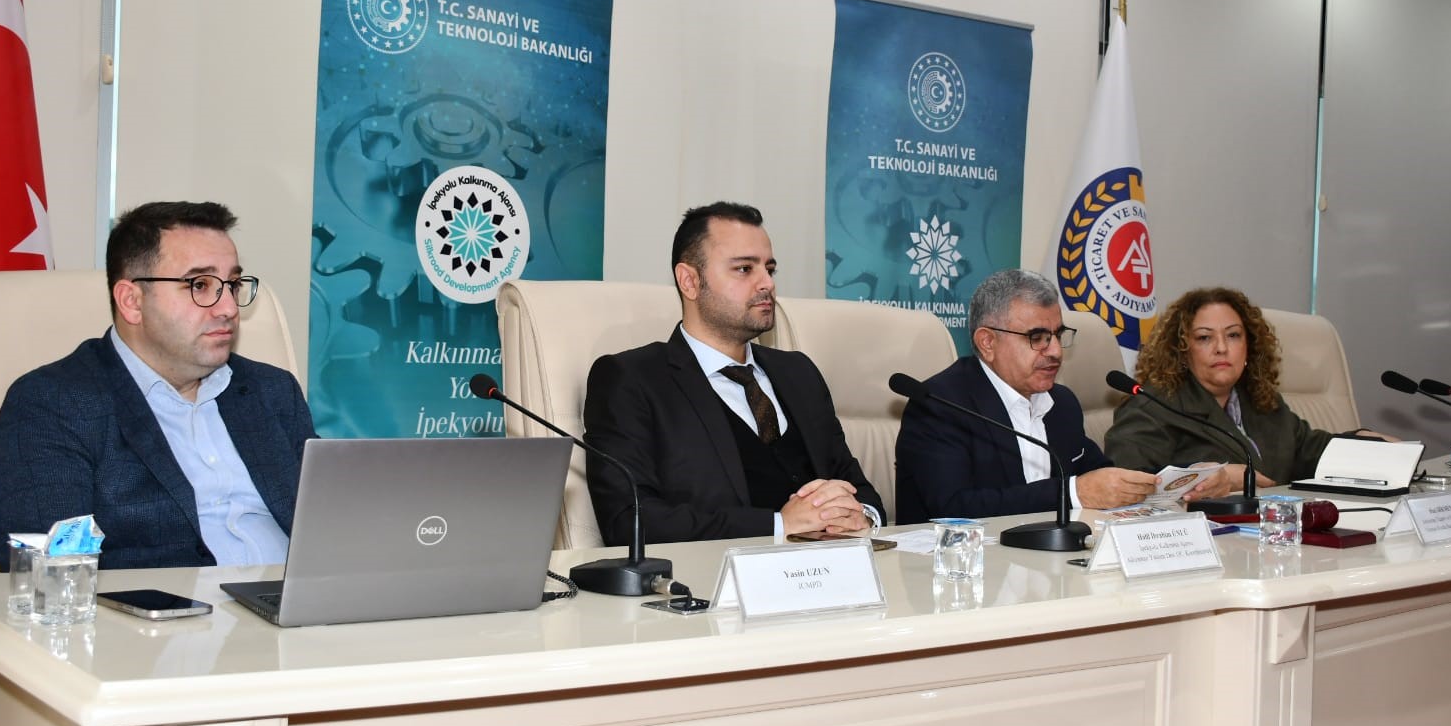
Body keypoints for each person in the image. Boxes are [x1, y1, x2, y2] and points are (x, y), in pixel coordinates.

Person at [0, 201, 317, 570]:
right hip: (163, 606)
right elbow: (52, 572)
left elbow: (331, 526)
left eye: (233, 285)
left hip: (302, 600)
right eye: (200, 285)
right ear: (132, 302)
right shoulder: (54, 403)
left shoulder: (272, 391)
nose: (228, 308)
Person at [583, 201, 885, 545]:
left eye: (770, 269)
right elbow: (629, 521)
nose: (766, 283)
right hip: (714, 576)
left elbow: (857, 487)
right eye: (744, 269)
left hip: (831, 571)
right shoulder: (632, 379)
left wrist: (862, 516)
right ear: (689, 281)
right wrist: (778, 525)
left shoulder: (798, 372)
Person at [895, 269, 1176, 522]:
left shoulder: (1062, 403)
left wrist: (1172, 483)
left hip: (1053, 557)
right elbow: (951, 507)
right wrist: (1071, 493)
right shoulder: (940, 404)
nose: (1055, 351)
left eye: (1058, 335)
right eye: (1037, 338)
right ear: (988, 342)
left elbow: (1099, 475)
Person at [1103, 286, 1372, 492]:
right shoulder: (1152, 407)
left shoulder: (1261, 401)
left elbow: (1310, 451)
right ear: (1182, 351)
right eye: (1204, 337)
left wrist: (1370, 444)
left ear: (1249, 345)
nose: (1221, 347)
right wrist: (1207, 478)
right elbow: (1125, 481)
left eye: (1233, 335)